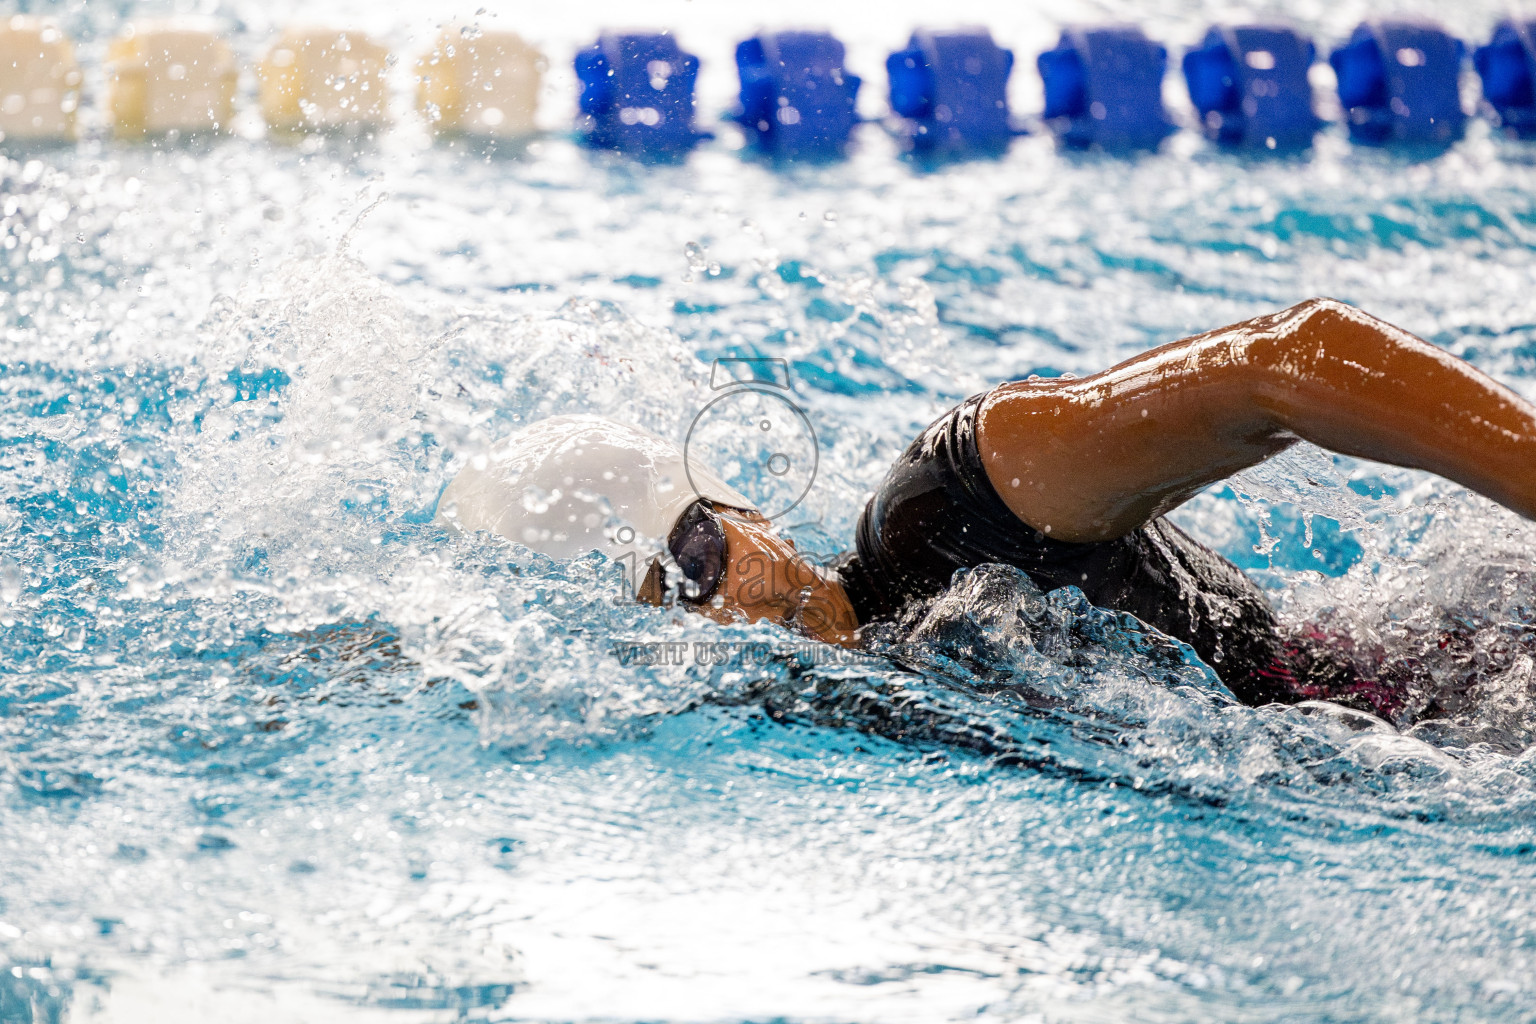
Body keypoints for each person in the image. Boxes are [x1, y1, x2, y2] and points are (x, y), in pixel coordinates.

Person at [437, 298, 1536, 713]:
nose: (727, 594)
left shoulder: (969, 494)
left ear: (740, 506)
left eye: (702, 541)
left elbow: (1293, 360)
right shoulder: (841, 699)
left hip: (1444, 688)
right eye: (679, 591)